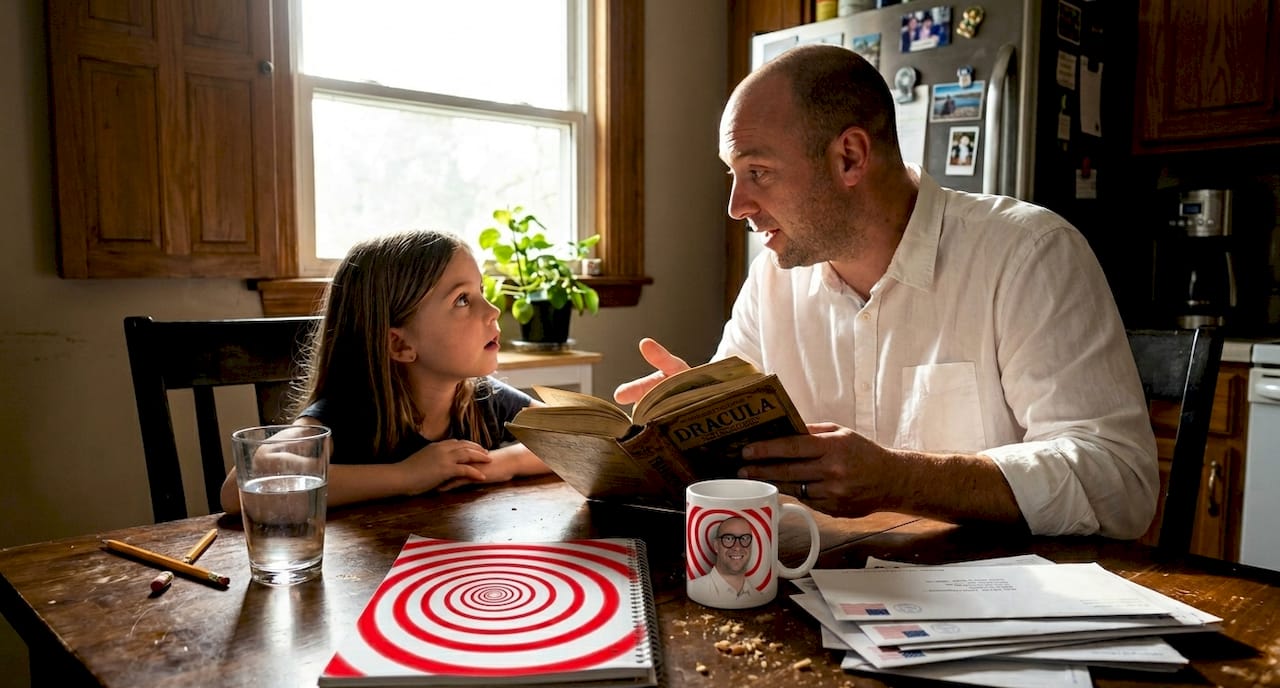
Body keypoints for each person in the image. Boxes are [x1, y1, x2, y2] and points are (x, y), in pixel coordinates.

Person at [615, 44, 1157, 540]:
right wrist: (689, 423)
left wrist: (900, 478)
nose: (737, 206)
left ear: (850, 157)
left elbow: (1119, 480)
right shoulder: (771, 280)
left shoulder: (1028, 254)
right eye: (733, 175)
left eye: (758, 171)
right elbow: (745, 465)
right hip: (823, 587)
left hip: (1002, 594)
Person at [219, 230, 550, 514]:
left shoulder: (482, 397)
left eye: (482, 292)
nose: (493, 311)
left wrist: (500, 465)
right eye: (462, 299)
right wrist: (406, 476)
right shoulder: (349, 414)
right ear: (399, 344)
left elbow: (577, 438)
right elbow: (240, 486)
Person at [686, 517, 755, 603]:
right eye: (729, 538)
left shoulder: (759, 597)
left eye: (744, 538)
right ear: (716, 546)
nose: (737, 547)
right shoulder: (692, 592)